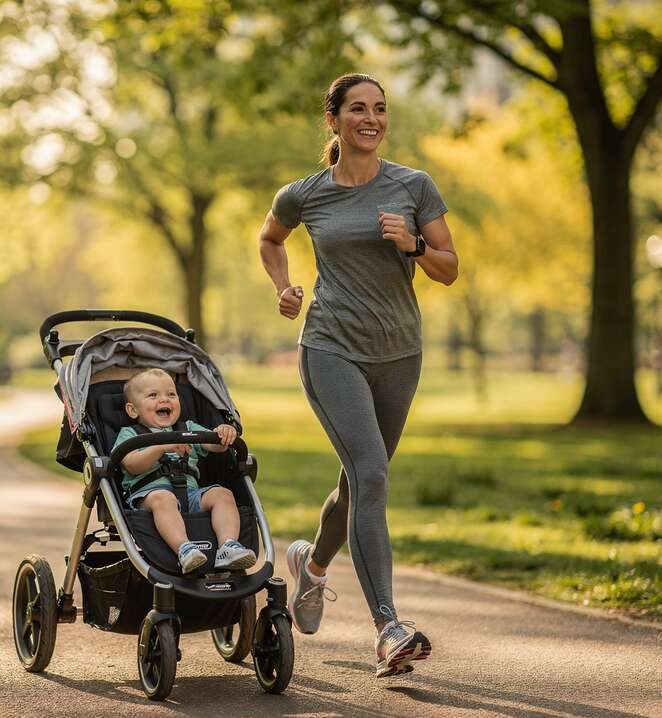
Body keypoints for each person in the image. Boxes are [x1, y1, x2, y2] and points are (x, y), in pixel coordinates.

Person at [257, 73, 459, 678]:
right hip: (329, 346)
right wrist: (283, 287)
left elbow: (449, 268)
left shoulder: (414, 186)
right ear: (334, 120)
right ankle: (388, 627)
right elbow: (271, 239)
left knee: (360, 482)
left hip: (400, 352)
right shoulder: (305, 193)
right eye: (358, 109)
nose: (371, 119)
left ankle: (312, 568)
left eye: (380, 109)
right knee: (369, 471)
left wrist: (416, 247)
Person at [114, 368, 257, 574]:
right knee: (164, 498)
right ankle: (184, 548)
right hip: (149, 496)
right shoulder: (130, 434)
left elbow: (215, 446)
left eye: (171, 394)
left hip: (190, 495)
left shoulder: (187, 427)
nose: (164, 400)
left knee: (222, 494)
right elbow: (131, 464)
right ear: (133, 410)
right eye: (153, 395)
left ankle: (228, 546)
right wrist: (163, 446)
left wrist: (221, 435)